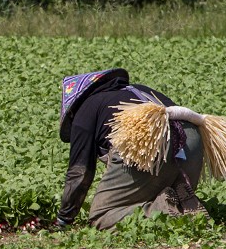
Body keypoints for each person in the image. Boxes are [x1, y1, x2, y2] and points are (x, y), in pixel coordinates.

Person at [57, 68, 203, 230]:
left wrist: (64, 218)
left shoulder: (84, 110)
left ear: (72, 110)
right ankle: (185, 205)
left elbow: (79, 173)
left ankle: (165, 211)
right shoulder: (140, 90)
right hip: (192, 140)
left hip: (148, 139)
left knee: (102, 215)